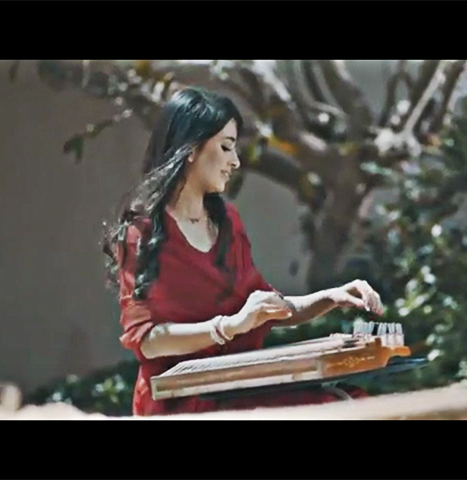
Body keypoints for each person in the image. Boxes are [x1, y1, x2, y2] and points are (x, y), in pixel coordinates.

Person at [102, 87, 383, 416]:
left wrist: (332, 297)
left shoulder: (227, 223)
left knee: (352, 400)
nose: (235, 161)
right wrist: (229, 326)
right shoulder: (142, 234)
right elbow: (148, 341)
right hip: (180, 403)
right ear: (190, 148)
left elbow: (266, 308)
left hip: (238, 387)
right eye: (226, 147)